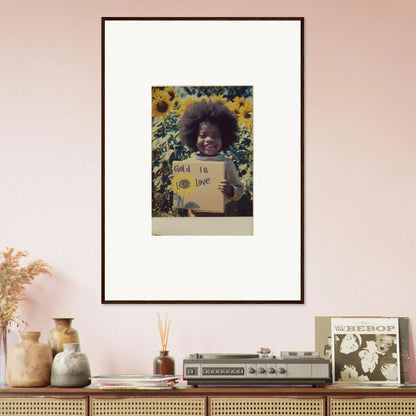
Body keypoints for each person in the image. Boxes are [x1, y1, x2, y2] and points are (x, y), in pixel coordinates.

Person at [176, 99, 244, 216]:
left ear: (225, 138)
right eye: (203, 135)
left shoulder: (227, 164)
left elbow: (240, 189)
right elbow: (183, 191)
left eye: (216, 136)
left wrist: (231, 189)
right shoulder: (188, 165)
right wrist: (177, 181)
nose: (209, 140)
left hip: (223, 213)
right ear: (192, 136)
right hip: (195, 214)